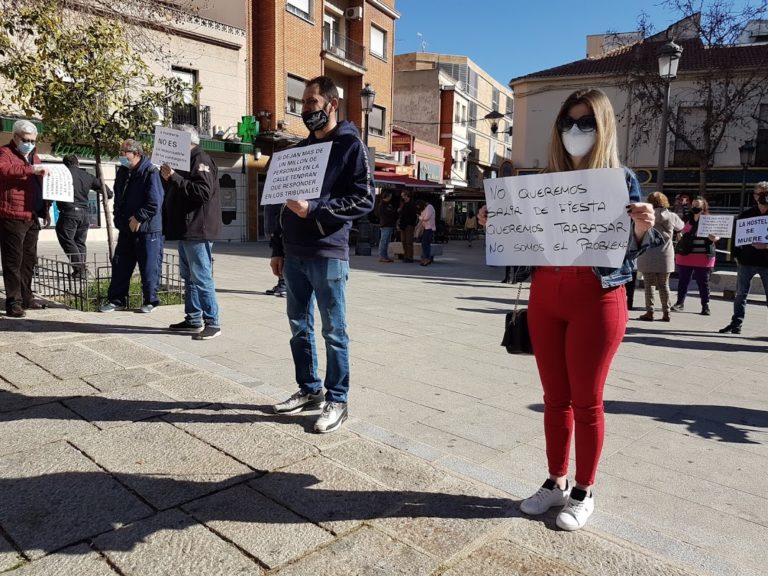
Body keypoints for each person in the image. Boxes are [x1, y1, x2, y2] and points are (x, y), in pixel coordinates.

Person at [479, 88, 656, 531]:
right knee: (554, 399)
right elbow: (523, 240)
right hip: (546, 294)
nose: (575, 131)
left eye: (586, 123)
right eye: (567, 122)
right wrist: (495, 223)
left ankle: (584, 489)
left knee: (586, 401)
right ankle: (555, 480)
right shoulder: (543, 181)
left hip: (597, 298)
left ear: (604, 127)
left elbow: (633, 249)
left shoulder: (620, 179)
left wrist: (641, 228)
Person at [270, 75, 374, 434]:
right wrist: (277, 247)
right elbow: (281, 203)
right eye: (303, 103)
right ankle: (309, 389)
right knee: (298, 326)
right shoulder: (300, 150)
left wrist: (315, 209)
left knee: (334, 331)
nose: (305, 109)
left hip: (328, 253)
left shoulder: (350, 146)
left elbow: (365, 199)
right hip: (294, 254)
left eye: (312, 102)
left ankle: (337, 400)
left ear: (332, 104)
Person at [161, 125, 222, 340]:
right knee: (189, 277)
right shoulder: (185, 161)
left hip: (198, 228)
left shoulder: (200, 159)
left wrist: (175, 177)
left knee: (201, 276)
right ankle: (194, 318)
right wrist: (168, 177)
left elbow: (203, 192)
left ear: (185, 140)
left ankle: (212, 322)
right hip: (186, 229)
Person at [99, 139, 164, 314]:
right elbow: (118, 198)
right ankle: (116, 300)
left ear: (136, 154)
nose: (121, 156)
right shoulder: (123, 172)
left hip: (147, 230)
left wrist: (138, 217)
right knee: (120, 265)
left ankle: (150, 301)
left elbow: (155, 202)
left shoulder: (150, 172)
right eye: (120, 152)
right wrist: (118, 218)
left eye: (124, 152)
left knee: (149, 267)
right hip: (126, 229)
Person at [0, 120, 50, 318]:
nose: (29, 144)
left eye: (33, 141)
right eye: (26, 140)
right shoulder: (5, 153)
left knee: (29, 260)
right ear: (15, 137)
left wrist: (46, 209)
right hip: (12, 215)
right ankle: (13, 302)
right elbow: (4, 170)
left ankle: (26, 297)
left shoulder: (34, 157)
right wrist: (30, 170)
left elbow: (40, 185)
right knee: (13, 260)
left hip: (32, 215)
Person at [719, 181, 768, 334]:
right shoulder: (746, 215)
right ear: (754, 196)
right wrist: (736, 256)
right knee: (740, 294)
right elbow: (735, 237)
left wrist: (766, 246)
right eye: (760, 194)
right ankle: (736, 323)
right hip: (746, 261)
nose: (763, 197)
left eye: (766, 194)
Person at [636, 191, 684, 322]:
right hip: (665, 255)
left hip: (647, 254)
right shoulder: (671, 216)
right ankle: (666, 312)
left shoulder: (645, 216)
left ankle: (650, 312)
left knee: (649, 285)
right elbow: (682, 226)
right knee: (664, 285)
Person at [56, 155, 103, 277]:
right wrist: (106, 195)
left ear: (64, 164)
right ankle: (80, 272)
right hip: (84, 213)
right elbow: (106, 190)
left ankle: (81, 270)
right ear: (78, 163)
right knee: (80, 242)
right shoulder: (86, 175)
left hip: (69, 212)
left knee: (67, 239)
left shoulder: (61, 175)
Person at [670, 196, 718, 315]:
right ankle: (680, 303)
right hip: (686, 255)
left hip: (703, 256)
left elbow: (717, 235)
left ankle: (705, 306)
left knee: (703, 283)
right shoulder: (687, 219)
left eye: (698, 205)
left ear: (703, 206)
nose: (695, 207)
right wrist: (679, 235)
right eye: (693, 205)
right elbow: (680, 231)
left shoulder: (709, 220)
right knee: (683, 281)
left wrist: (714, 238)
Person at [376, 190, 398, 262]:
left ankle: (385, 256)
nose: (391, 197)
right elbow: (385, 214)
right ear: (387, 196)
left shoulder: (388, 204)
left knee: (387, 241)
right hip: (386, 224)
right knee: (384, 241)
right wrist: (394, 213)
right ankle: (382, 256)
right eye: (390, 196)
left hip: (389, 224)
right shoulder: (382, 205)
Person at [398, 190, 417, 262]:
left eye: (403, 196)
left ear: (407, 196)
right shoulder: (403, 204)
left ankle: (410, 257)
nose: (402, 197)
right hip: (403, 224)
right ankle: (406, 256)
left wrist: (410, 223)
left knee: (409, 241)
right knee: (403, 241)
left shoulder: (412, 204)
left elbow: (413, 215)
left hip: (409, 225)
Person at [417, 199, 436, 266]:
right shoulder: (424, 209)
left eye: (418, 206)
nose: (418, 208)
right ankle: (426, 258)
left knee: (425, 243)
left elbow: (426, 218)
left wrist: (420, 217)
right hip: (425, 228)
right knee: (425, 244)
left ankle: (427, 258)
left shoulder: (429, 207)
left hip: (430, 228)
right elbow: (423, 218)